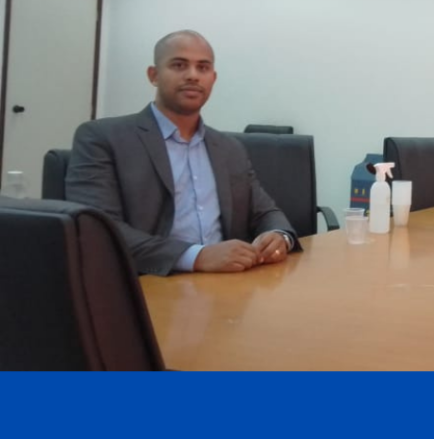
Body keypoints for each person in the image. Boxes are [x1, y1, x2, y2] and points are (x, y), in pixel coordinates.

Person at [65, 30, 298, 276]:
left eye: (203, 67)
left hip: (226, 282)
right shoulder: (102, 138)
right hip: (147, 282)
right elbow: (97, 229)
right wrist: (196, 256)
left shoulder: (229, 148)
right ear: (153, 75)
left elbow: (266, 212)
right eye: (179, 65)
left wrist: (278, 236)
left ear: (213, 78)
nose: (193, 75)